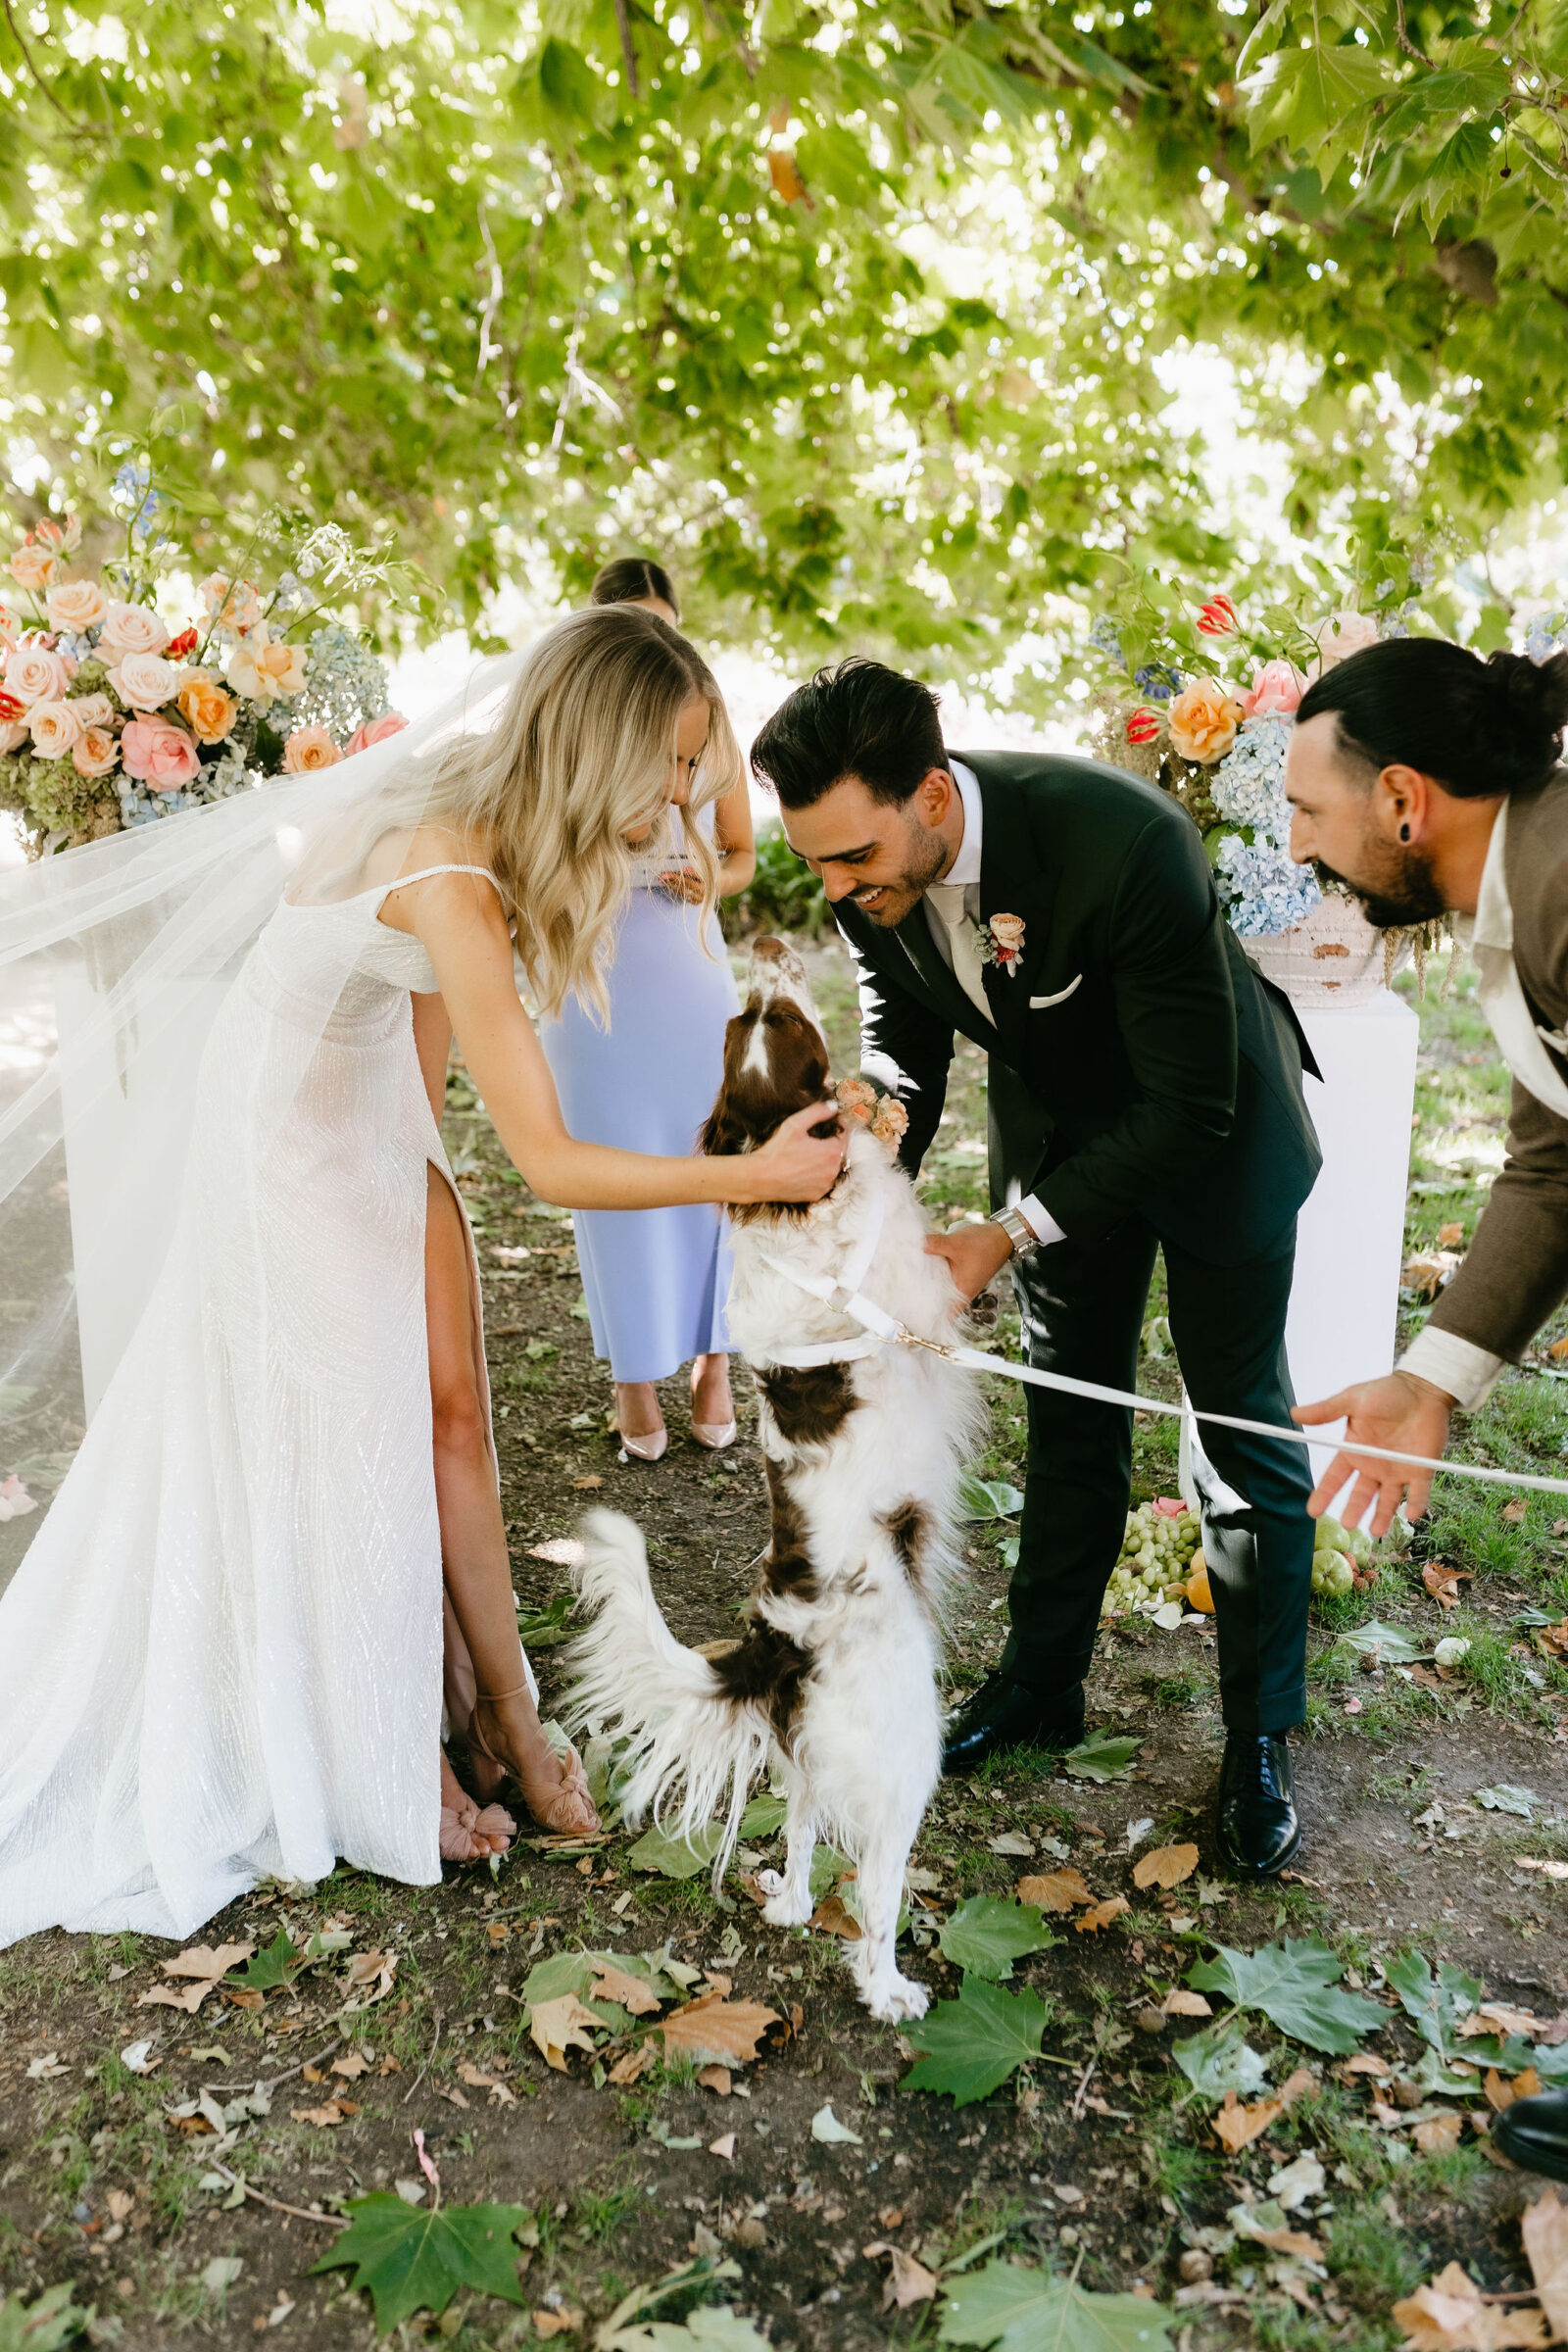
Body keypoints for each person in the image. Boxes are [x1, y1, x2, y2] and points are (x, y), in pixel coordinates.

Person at [0, 606, 843, 1949]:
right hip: (283, 1136)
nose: (687, 796)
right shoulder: (451, 867)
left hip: (373, 1098)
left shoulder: (484, 811)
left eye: (697, 766)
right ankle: (395, 1740)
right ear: (601, 745)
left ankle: (479, 1702)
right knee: (366, 1425)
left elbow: (419, 1018)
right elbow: (551, 1162)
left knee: (456, 1408)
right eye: (674, 764)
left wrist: (417, 1177)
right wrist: (745, 1177)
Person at [751, 659, 1323, 1877]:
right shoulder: (865, 873)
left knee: (1239, 1429)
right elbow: (905, 1029)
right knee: (1069, 1421)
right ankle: (1041, 1684)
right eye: (815, 864)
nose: (835, 888)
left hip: (1215, 1140)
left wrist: (1007, 1234)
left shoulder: (1123, 841)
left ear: (931, 799)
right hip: (1060, 1141)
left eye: (851, 859)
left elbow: (1188, 1105)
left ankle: (1260, 1738)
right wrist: (873, 1123)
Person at [1282, 633, 1568, 2176]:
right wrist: (1433, 1379)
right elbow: (1554, 1155)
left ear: (1402, 798)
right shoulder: (1525, 886)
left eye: (1309, 812)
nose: (1300, 850)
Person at [537, 559, 755, 1461]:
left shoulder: (706, 722)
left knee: (715, 1160)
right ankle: (632, 1376)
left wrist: (705, 877)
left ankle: (715, 1361)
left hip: (687, 972)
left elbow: (740, 855)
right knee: (612, 1172)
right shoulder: (565, 737)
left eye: (665, 626)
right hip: (593, 979)